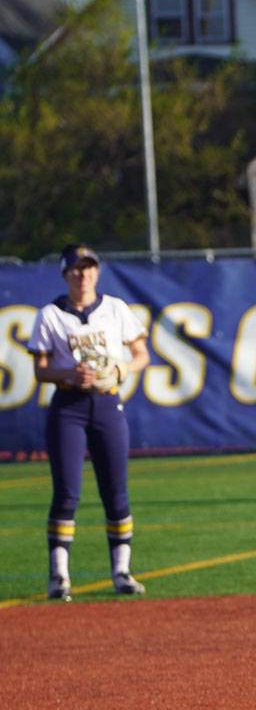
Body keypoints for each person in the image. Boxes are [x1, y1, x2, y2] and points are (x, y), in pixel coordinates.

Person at [27, 244, 151, 601]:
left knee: (116, 491)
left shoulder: (114, 308)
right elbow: (40, 368)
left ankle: (122, 571)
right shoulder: (51, 314)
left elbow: (141, 353)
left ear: (97, 272)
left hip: (107, 403)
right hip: (69, 405)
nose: (84, 275)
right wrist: (67, 372)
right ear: (65, 274)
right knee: (67, 493)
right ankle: (59, 576)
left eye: (89, 268)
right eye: (77, 269)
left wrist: (120, 368)